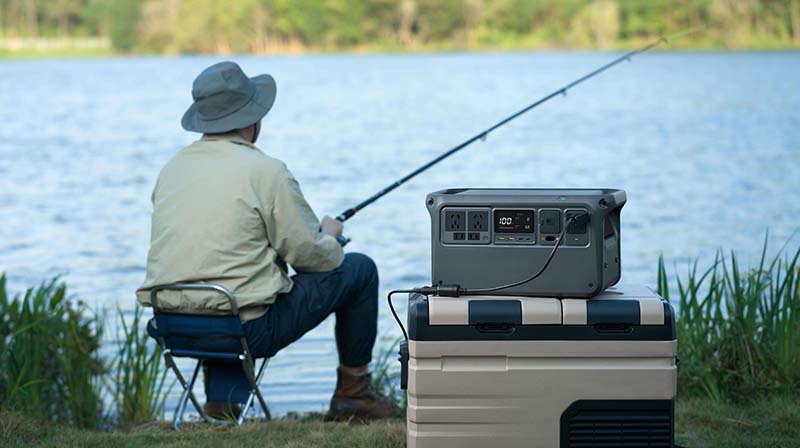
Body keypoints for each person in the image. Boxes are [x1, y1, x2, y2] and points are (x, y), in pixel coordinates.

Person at [136, 61, 394, 421]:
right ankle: (354, 393)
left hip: (172, 326)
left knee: (227, 290)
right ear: (251, 119)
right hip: (242, 331)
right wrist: (330, 237)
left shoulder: (172, 169)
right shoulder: (266, 171)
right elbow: (312, 258)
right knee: (359, 269)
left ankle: (221, 406)